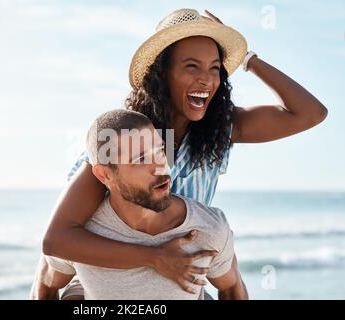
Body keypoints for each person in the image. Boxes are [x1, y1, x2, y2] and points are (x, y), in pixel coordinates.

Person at [36, 8, 327, 299]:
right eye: (192, 66)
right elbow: (58, 241)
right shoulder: (126, 138)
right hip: (105, 277)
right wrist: (154, 257)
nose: (206, 80)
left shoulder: (220, 129)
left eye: (215, 68)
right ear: (162, 73)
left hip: (182, 278)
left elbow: (310, 113)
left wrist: (249, 59)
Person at [36, 109, 248, 300]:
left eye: (160, 151)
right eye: (140, 159)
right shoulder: (83, 235)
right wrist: (153, 258)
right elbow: (45, 285)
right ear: (104, 174)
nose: (160, 167)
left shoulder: (207, 229)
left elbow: (232, 289)